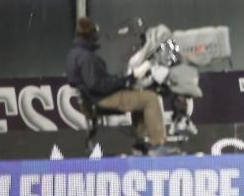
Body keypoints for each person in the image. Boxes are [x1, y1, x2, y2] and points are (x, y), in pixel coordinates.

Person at [65, 17, 174, 154]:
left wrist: (122, 80)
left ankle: (141, 144)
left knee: (138, 96)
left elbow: (96, 81)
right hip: (102, 98)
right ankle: (157, 145)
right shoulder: (86, 57)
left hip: (95, 98)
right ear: (90, 34)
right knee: (150, 98)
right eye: (95, 32)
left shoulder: (76, 54)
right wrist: (125, 81)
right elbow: (96, 84)